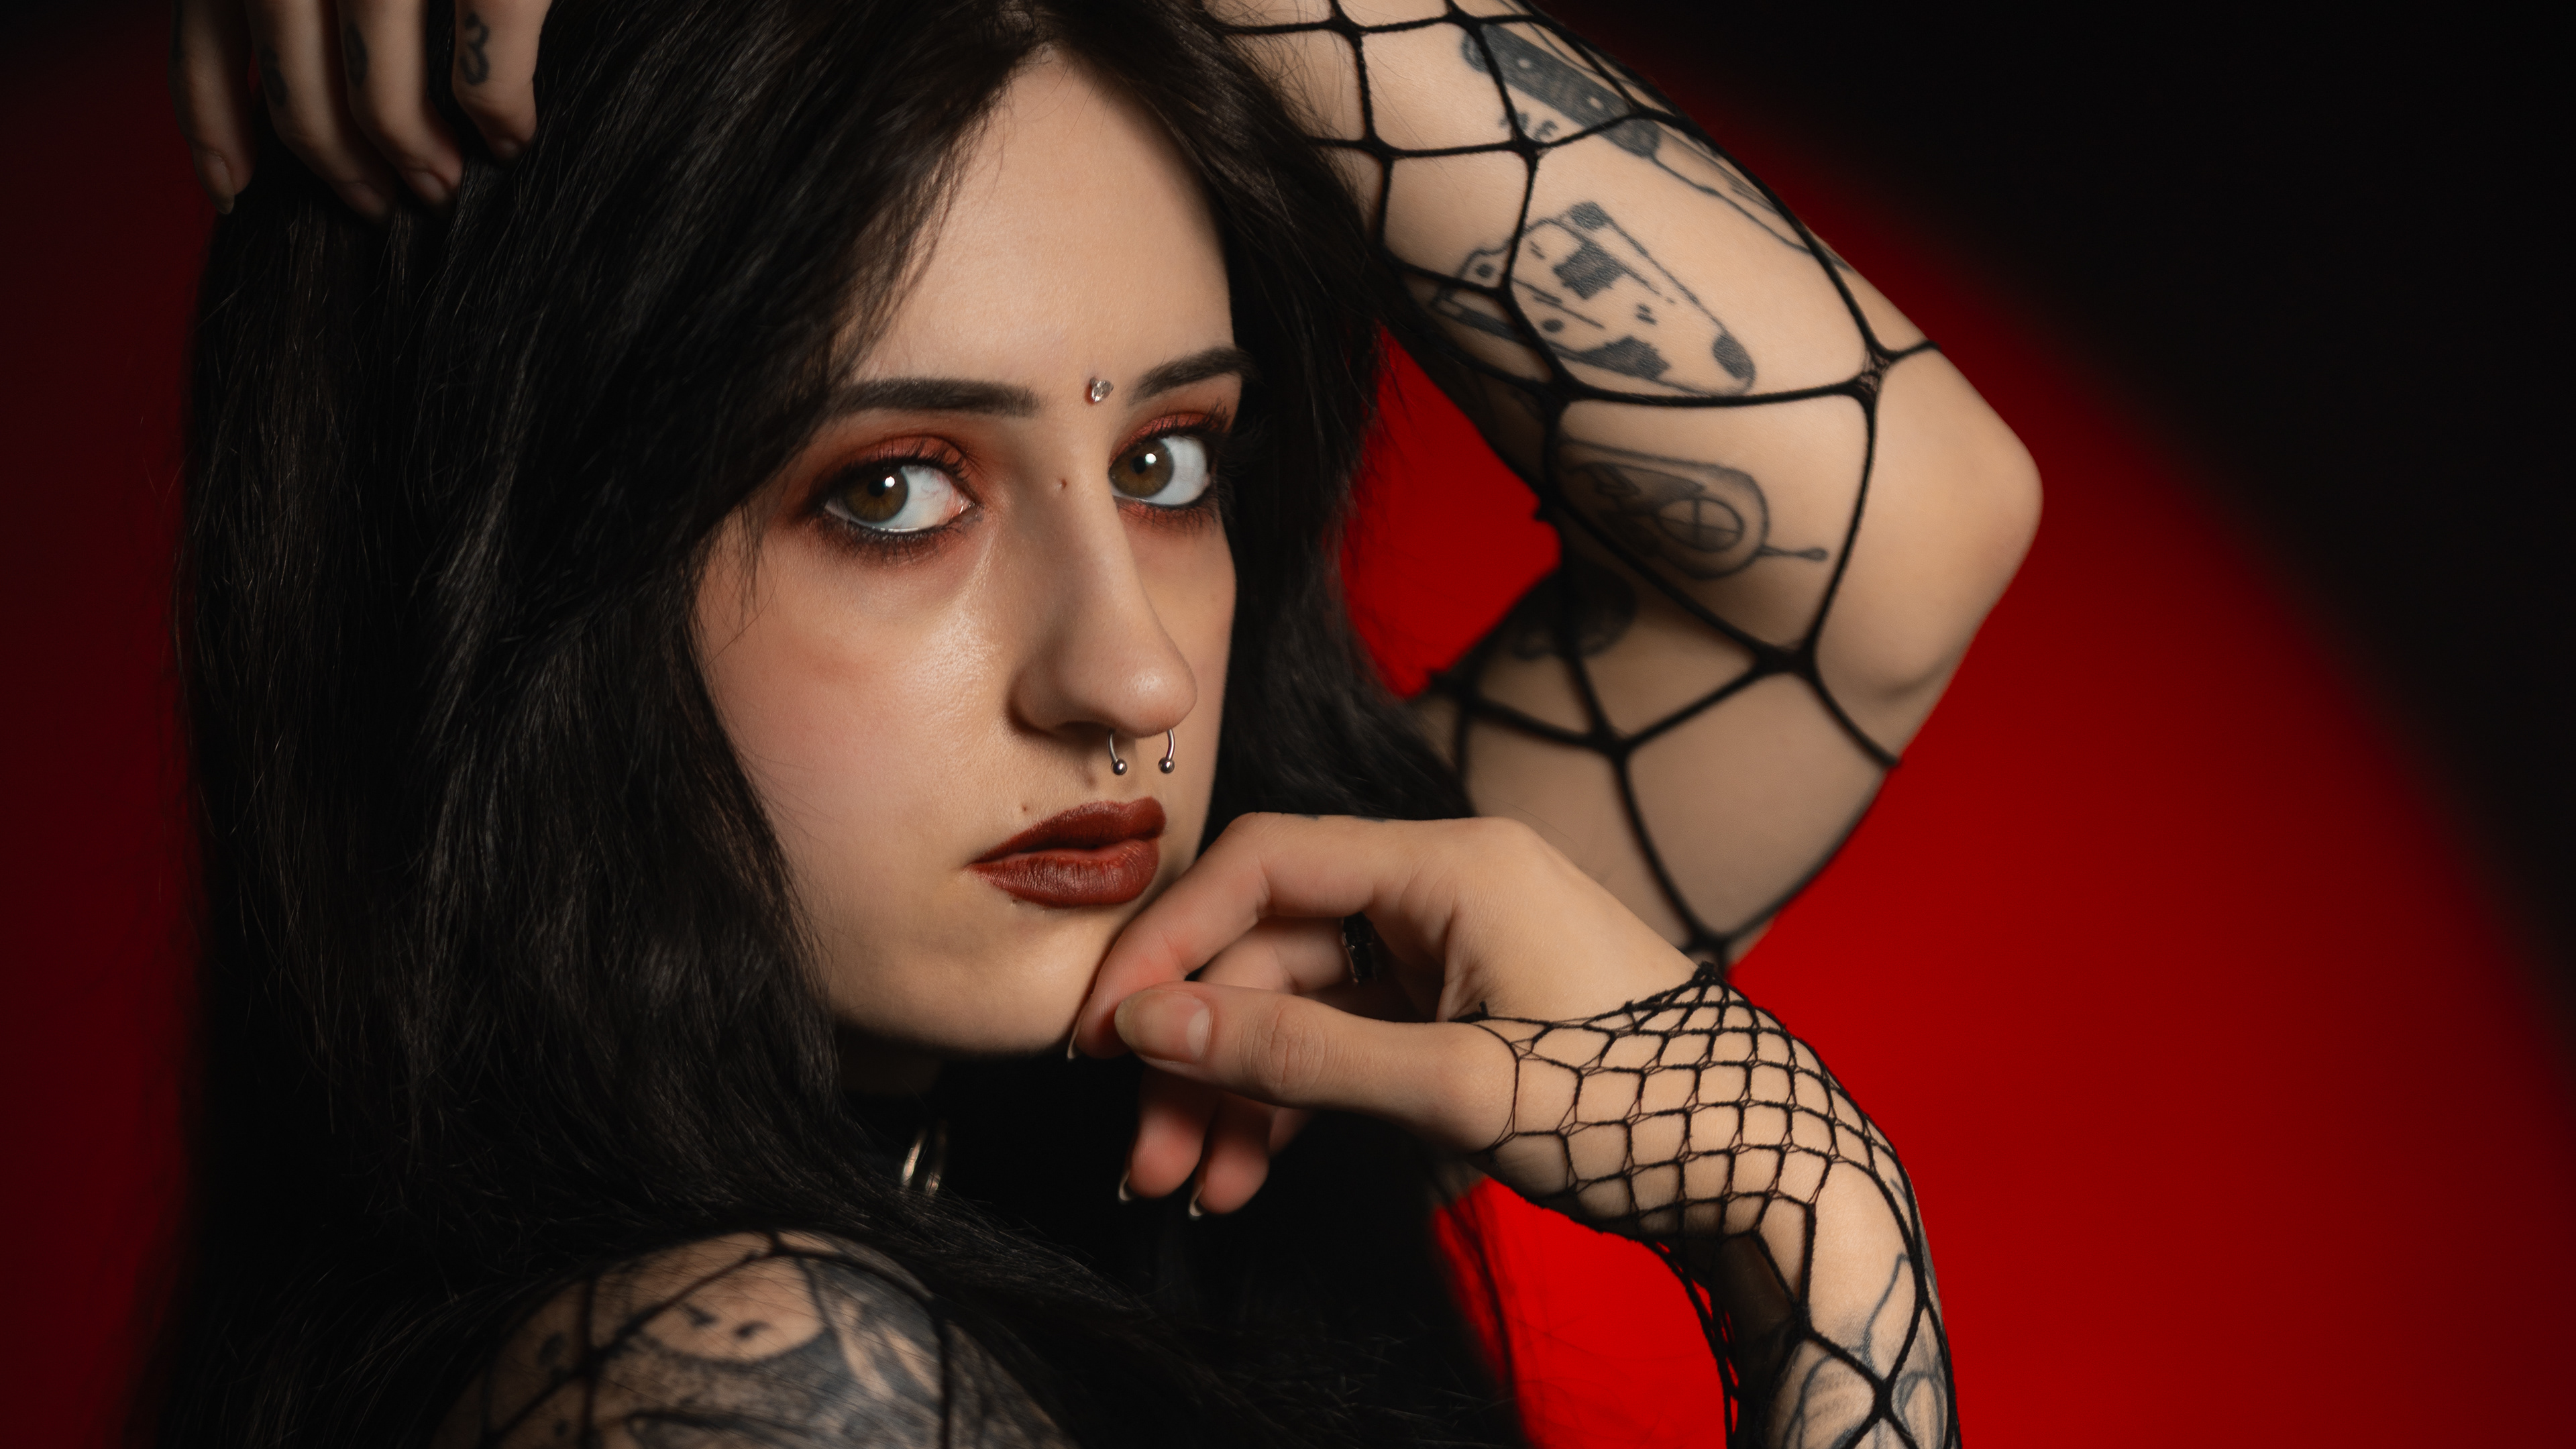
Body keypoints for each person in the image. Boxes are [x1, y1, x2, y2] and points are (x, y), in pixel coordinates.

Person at [150, 1, 2038, 1444]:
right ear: (505, 559)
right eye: (893, 489)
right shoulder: (764, 1380)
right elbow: (1888, 532)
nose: (1133, 680)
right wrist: (1821, 1257)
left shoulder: (1197, 1088)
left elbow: (1896, 524)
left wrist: (1809, 1209)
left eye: (1166, 461)